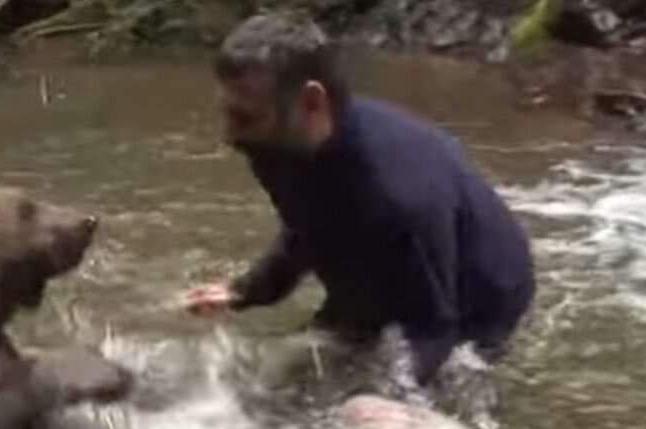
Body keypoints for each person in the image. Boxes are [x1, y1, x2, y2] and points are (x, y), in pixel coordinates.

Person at [185, 14, 535, 385]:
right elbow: (308, 227)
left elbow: (434, 330)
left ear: (312, 102)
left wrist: (394, 397)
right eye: (227, 112)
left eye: (243, 116)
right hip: (378, 271)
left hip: (476, 306)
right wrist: (249, 290)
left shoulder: (400, 193)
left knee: (384, 415)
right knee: (270, 379)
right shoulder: (273, 144)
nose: (229, 134)